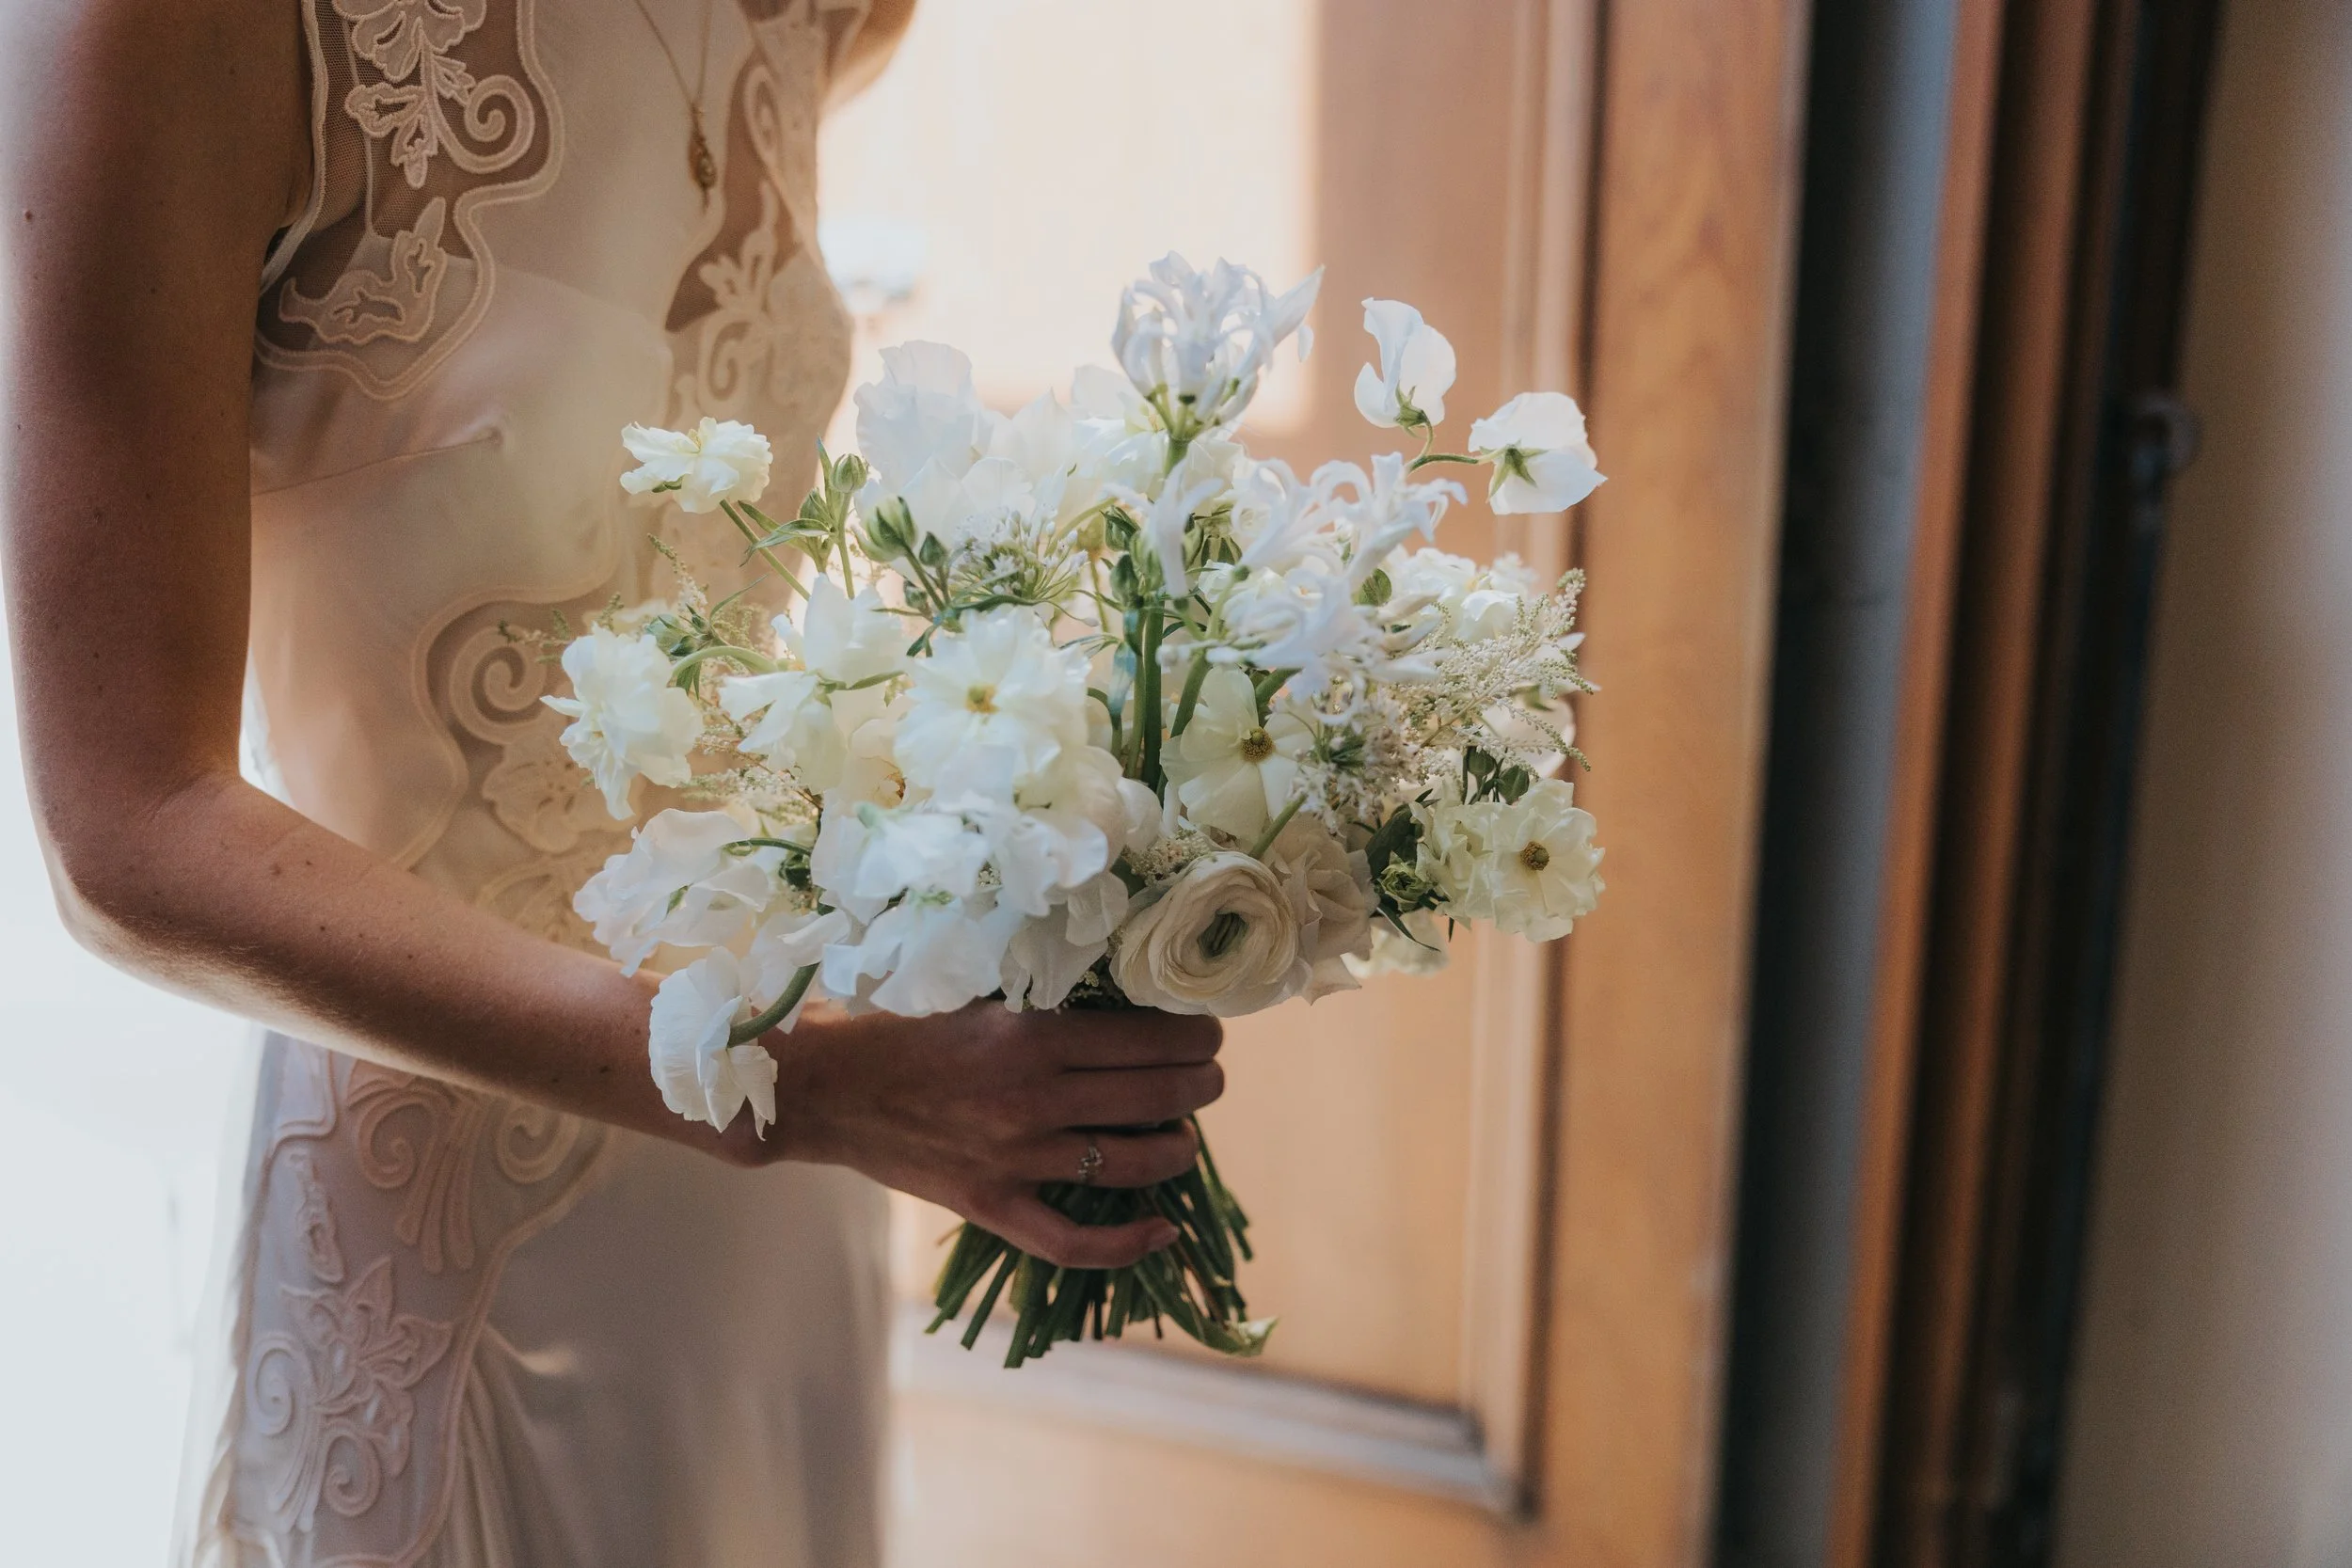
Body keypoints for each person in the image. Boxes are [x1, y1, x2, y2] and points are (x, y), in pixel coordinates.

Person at [0, 1, 1222, 1562]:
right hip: (474, 1225)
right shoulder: (164, 32)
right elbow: (130, 831)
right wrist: (795, 1081)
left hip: (794, 1205)